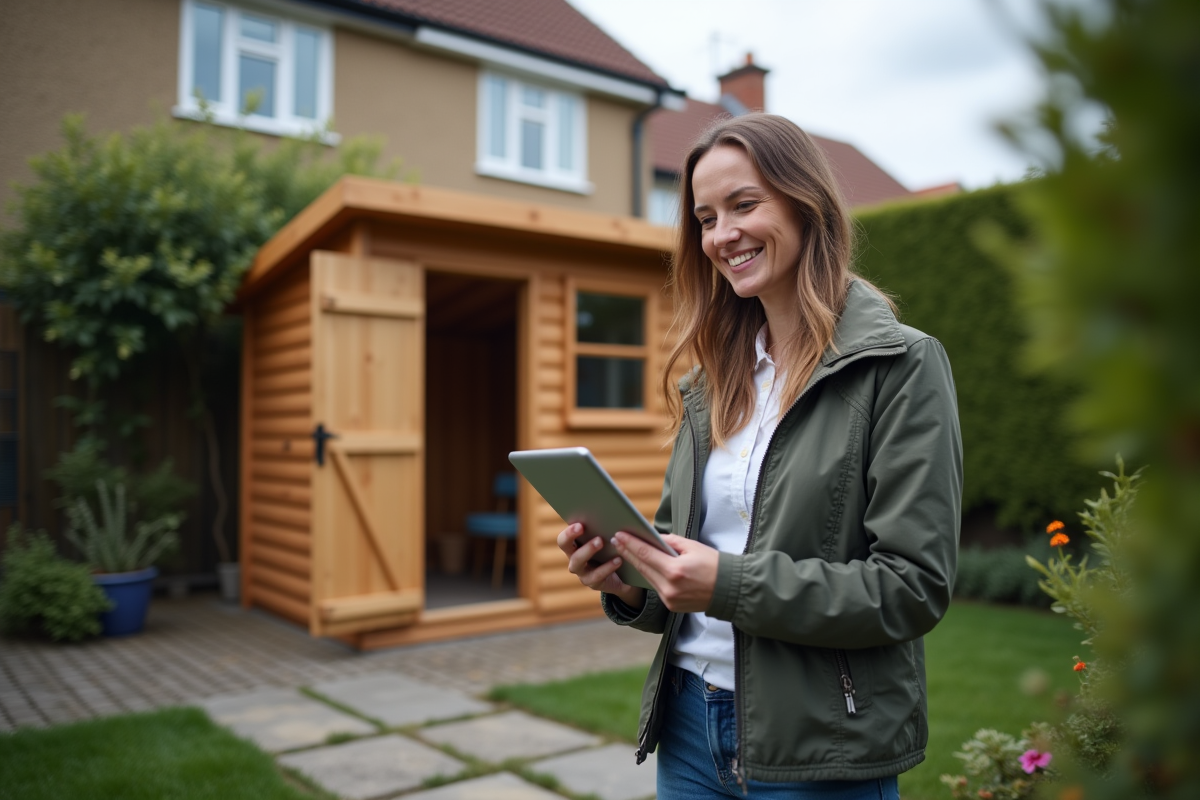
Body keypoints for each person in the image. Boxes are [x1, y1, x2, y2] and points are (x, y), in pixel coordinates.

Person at [556, 114, 962, 799]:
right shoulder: (711, 381)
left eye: (744, 205)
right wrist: (628, 581)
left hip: (820, 743)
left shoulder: (901, 366)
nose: (722, 235)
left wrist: (727, 585)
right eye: (706, 218)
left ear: (807, 204)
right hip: (688, 726)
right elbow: (684, 562)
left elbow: (911, 587)